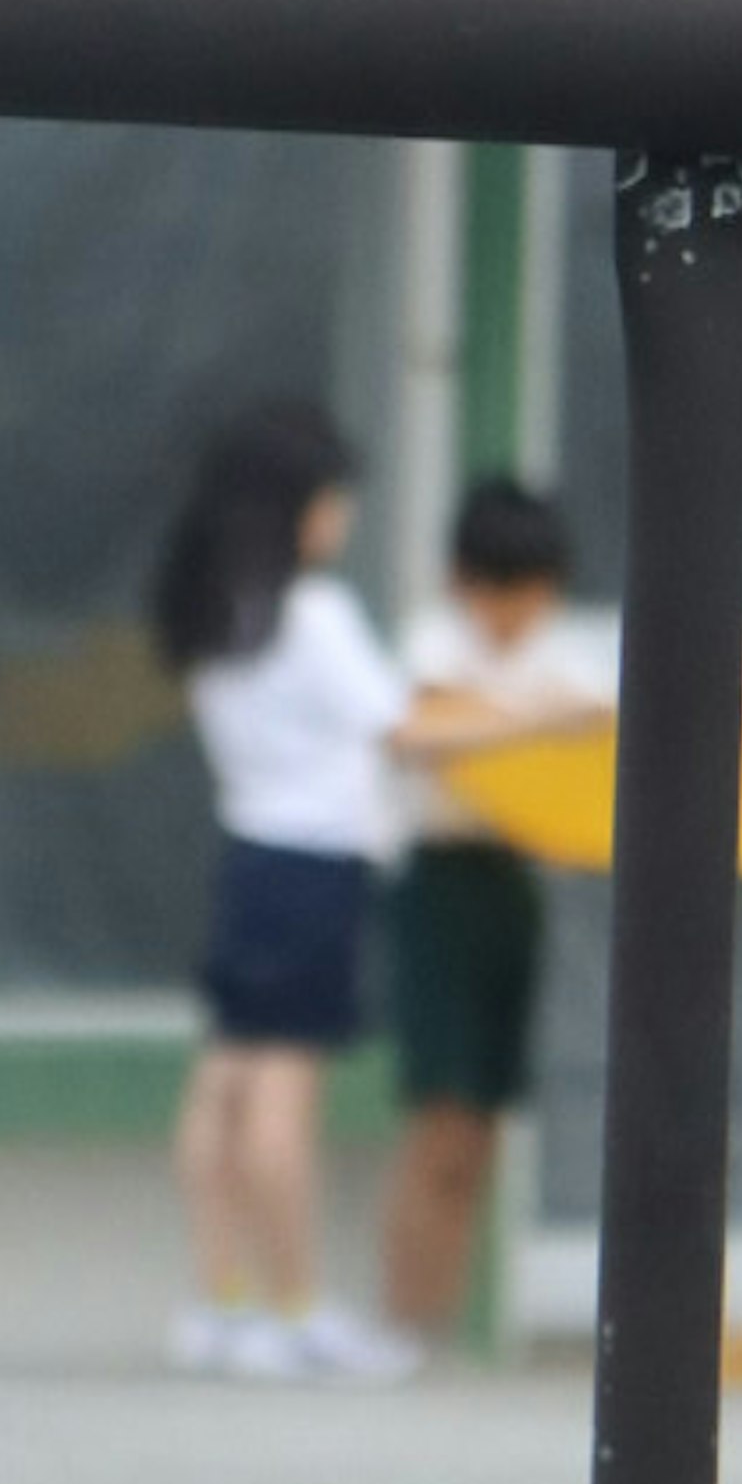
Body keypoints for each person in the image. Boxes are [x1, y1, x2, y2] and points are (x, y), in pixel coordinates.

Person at [152, 399, 422, 1380]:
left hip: (250, 857)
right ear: (297, 507)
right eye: (333, 497)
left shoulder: (214, 611)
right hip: (313, 868)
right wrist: (557, 720)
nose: (342, 515)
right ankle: (298, 1309)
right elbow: (404, 730)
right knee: (280, 1098)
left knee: (222, 1083)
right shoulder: (313, 614)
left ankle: (222, 1302)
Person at [378, 473, 596, 1343]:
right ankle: (403, 1321)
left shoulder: (562, 657)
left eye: (532, 593)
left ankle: (440, 1323)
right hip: (440, 881)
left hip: (515, 882)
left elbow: (599, 724)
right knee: (441, 1116)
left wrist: (528, 719)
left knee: (483, 1129)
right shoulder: (435, 645)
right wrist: (536, 722)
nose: (514, 614)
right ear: (461, 582)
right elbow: (419, 730)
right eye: (499, 591)